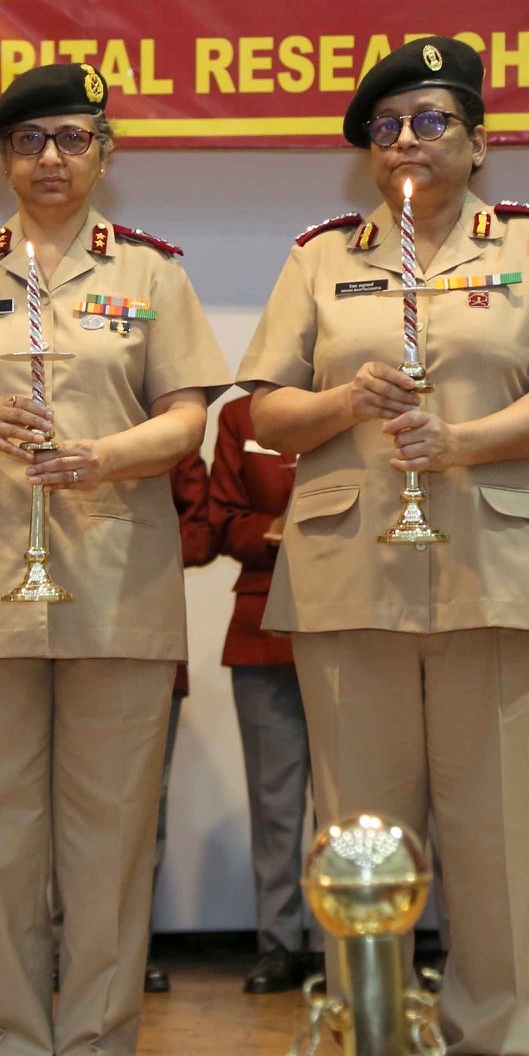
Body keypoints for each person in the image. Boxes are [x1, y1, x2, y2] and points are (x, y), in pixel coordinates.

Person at [238, 37, 529, 1056]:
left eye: (431, 119)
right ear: (365, 152)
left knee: (491, 834)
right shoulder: (318, 258)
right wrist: (344, 399)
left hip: (491, 567)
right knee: (362, 842)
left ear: (476, 139)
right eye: (387, 125)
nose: (407, 139)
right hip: (348, 569)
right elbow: (262, 411)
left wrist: (459, 442)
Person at [0, 62, 230, 1056]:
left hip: (117, 578)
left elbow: (186, 420)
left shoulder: (151, 274)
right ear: (2, 159)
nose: (49, 159)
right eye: (29, 141)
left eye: (71, 139)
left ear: (104, 153)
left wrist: (102, 457)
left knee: (109, 836)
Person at [205, 394, 315, 995]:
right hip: (263, 620)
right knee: (275, 803)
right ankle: (279, 943)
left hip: (350, 617)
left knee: (349, 806)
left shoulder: (359, 402)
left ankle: (340, 945)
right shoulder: (240, 417)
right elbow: (218, 517)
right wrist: (267, 528)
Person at [142, 450, 216, 994]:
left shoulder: (165, 430)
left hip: (136, 619)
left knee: (138, 807)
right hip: (20, 628)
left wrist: (134, 540)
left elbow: (201, 529)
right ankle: (43, 950)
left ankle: (123, 947)